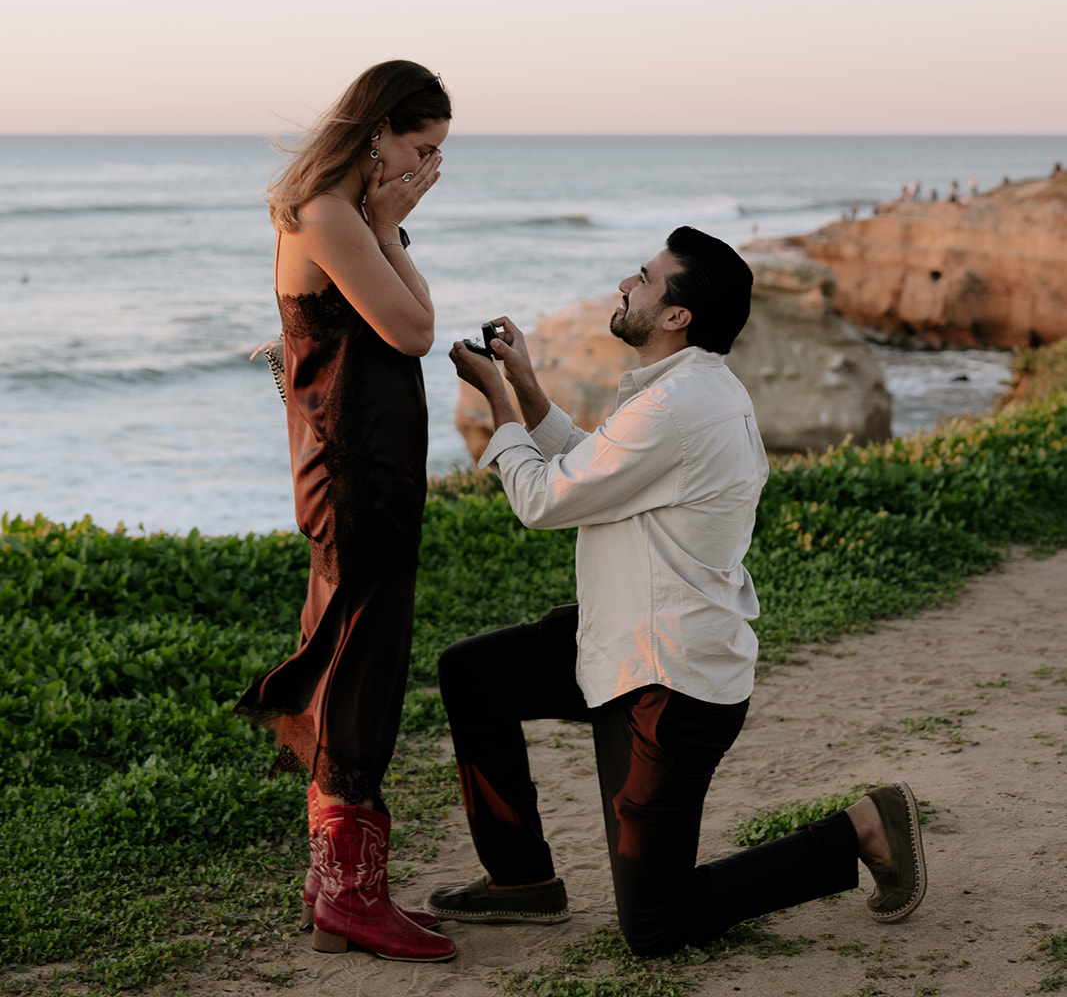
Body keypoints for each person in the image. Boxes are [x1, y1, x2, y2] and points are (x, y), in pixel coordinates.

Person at [431, 227, 927, 957]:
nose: (623, 287)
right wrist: (529, 388)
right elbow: (596, 465)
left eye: (641, 278)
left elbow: (541, 500)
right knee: (472, 674)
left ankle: (859, 831)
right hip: (617, 640)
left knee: (655, 925)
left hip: (666, 685)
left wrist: (499, 400)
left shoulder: (675, 407)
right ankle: (520, 881)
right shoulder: (683, 393)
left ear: (675, 317)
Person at [235, 61, 457, 963]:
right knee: (356, 667)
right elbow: (411, 332)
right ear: (376, 134)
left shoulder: (347, 215)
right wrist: (385, 223)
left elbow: (419, 315)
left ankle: (339, 889)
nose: (426, 165)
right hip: (353, 474)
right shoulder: (328, 214)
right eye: (420, 146)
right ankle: (348, 898)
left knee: (360, 658)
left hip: (372, 467)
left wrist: (387, 225)